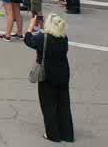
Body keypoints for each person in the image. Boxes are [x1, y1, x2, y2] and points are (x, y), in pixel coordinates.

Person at [25, 14, 73, 143]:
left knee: (48, 105)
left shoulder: (43, 38)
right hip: (63, 73)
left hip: (48, 75)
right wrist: (41, 28)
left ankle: (53, 134)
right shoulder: (63, 37)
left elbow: (28, 40)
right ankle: (67, 133)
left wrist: (31, 26)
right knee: (63, 104)